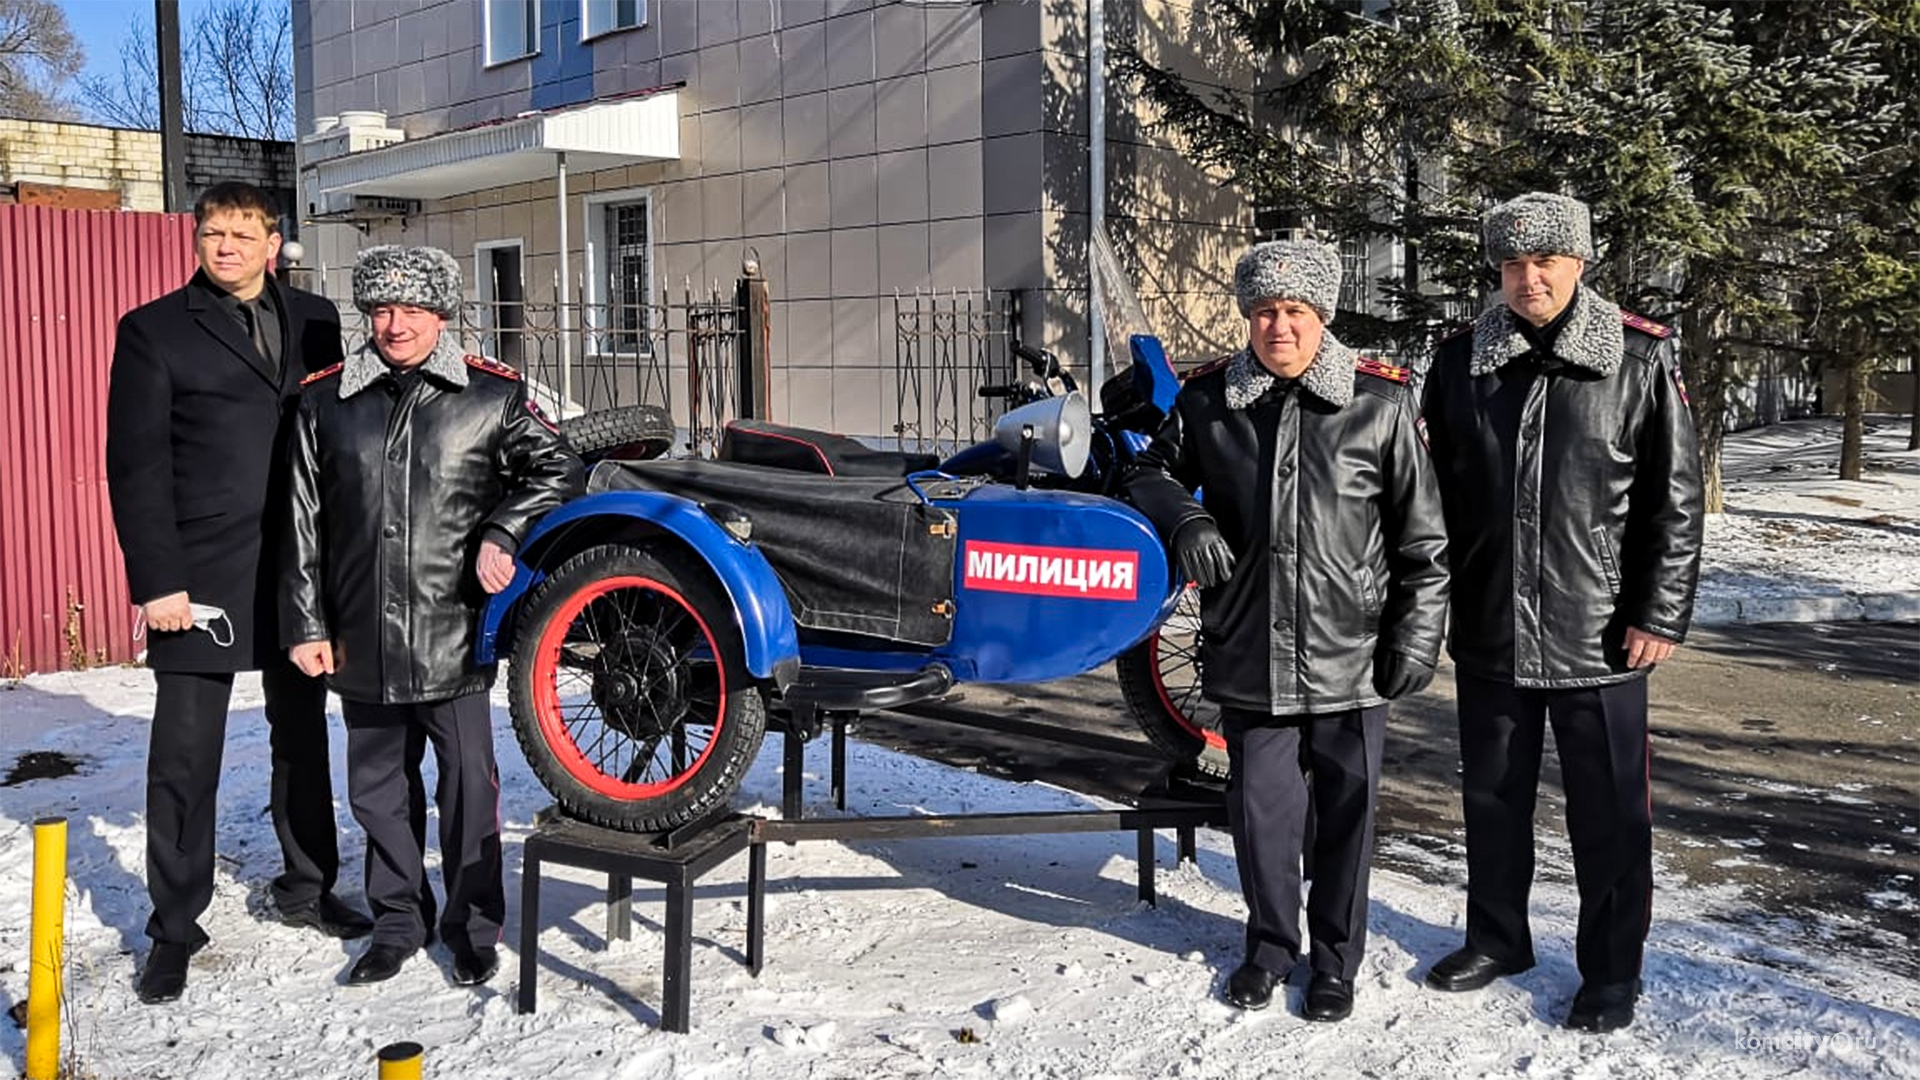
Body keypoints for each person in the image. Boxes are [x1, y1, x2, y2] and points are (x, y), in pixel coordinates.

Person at [1127, 240, 1450, 1022]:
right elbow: (1145, 472)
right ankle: (1271, 948)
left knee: (1347, 815)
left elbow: (1424, 543)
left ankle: (1336, 961)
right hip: (1250, 653)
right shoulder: (1208, 402)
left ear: (1321, 317)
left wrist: (1415, 639)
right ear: (1248, 317)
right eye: (1265, 312)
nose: (1279, 327)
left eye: (1295, 312)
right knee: (1262, 813)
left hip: (1354, 659)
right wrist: (1186, 516)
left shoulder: (1378, 404)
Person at [1420, 192, 1705, 1033]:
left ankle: (1612, 970)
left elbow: (1674, 503)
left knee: (1610, 814)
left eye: (1544, 262)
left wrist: (1658, 612)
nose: (1528, 278)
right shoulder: (1460, 363)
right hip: (1492, 627)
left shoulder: (1639, 360)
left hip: (1603, 635)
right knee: (1493, 800)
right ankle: (1498, 938)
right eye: (1512, 264)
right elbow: (1427, 496)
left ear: (1580, 266)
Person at [283, 245, 583, 987]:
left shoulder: (491, 396)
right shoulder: (324, 401)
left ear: (441, 315)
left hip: (453, 630)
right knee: (378, 794)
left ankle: (472, 927)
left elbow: (561, 470)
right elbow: (298, 522)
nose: (396, 325)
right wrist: (305, 624)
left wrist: (502, 529)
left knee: (468, 790)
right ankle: (396, 922)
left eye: (412, 310)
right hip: (358, 636)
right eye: (382, 310)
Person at [106, 181, 372, 1006]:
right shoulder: (152, 331)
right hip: (201, 577)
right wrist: (158, 584)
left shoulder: (320, 319)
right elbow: (136, 466)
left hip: (298, 569)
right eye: (211, 233)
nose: (224, 247)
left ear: (272, 241)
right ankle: (174, 927)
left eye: (240, 233)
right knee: (185, 757)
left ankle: (308, 885)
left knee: (302, 735)